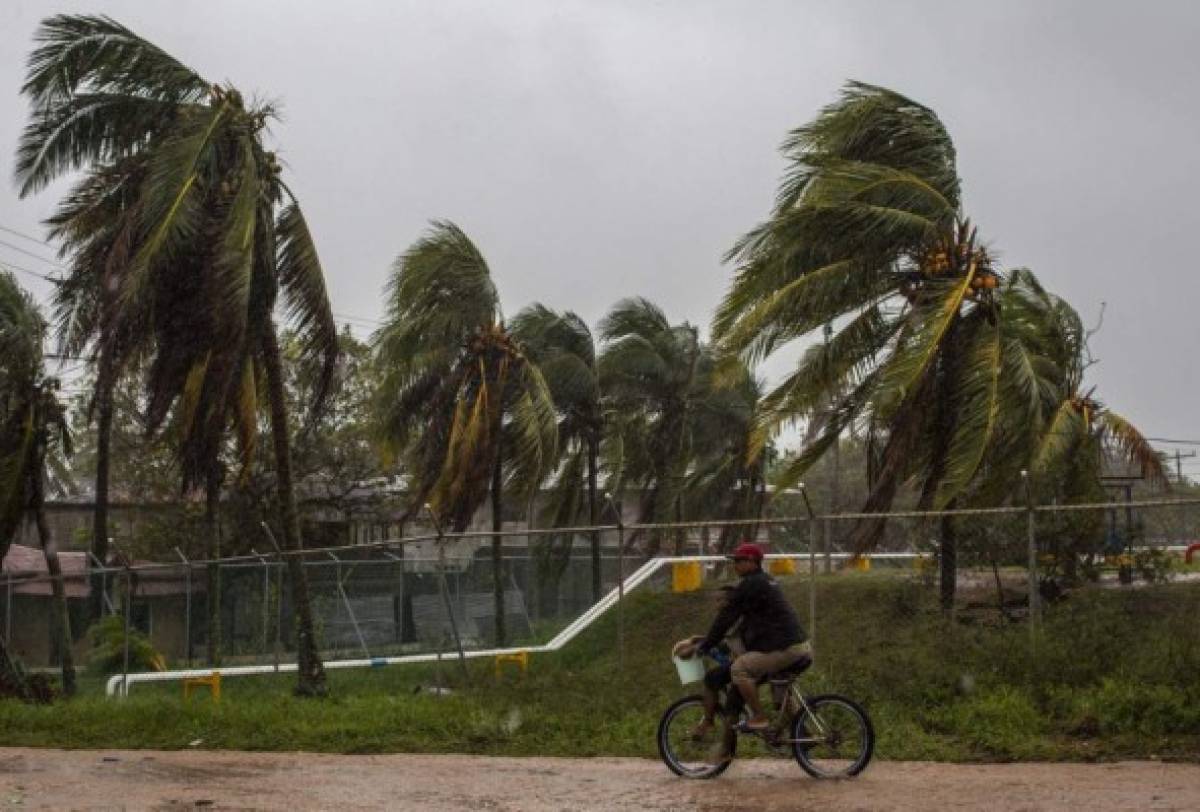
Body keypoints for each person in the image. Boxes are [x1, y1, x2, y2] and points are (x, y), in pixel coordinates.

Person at [676, 541, 811, 761]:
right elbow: (729, 627)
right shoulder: (764, 584)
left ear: (752, 562)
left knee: (739, 670)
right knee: (737, 688)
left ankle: (758, 717)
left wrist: (703, 647)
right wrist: (701, 642)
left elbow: (725, 619)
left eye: (738, 561)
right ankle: (802, 733)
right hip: (793, 648)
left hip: (786, 649)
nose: (735, 566)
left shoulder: (752, 584)